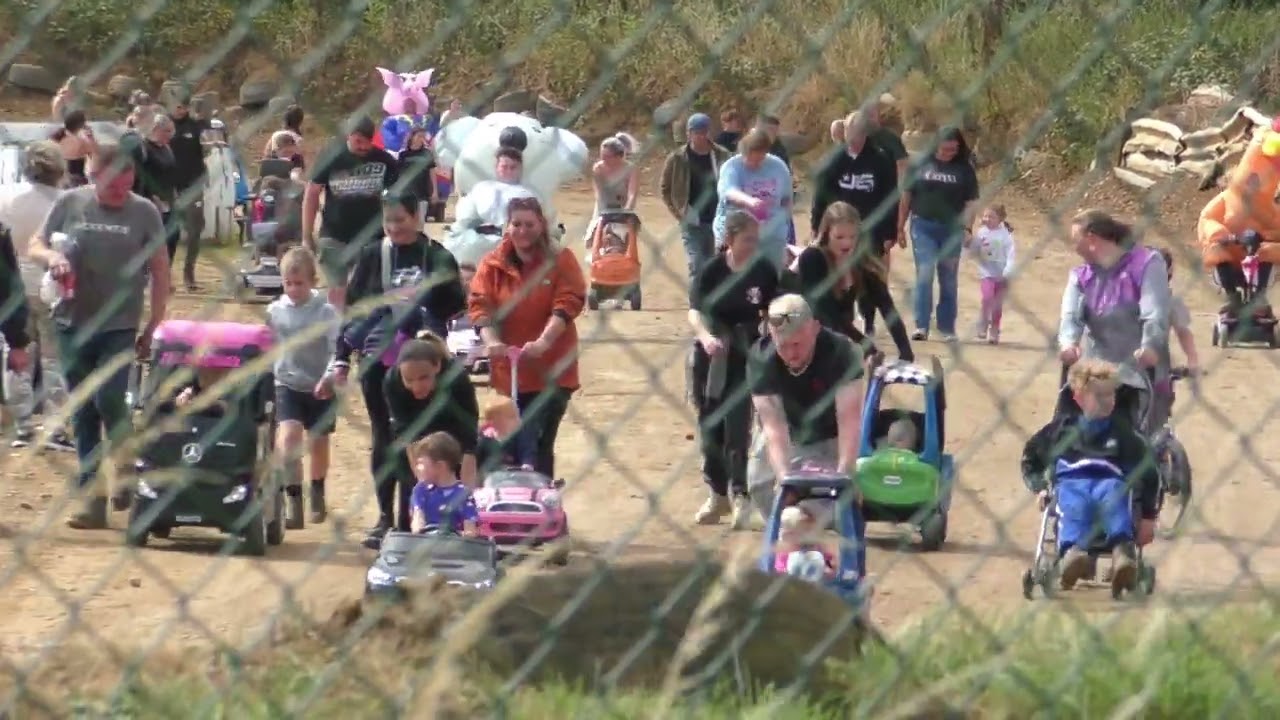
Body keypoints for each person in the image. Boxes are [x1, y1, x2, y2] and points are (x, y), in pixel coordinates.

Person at [28, 143, 170, 529]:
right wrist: (52, 259)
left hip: (119, 325)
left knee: (110, 398)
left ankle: (124, 464)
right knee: (83, 411)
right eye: (112, 188)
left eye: (126, 186)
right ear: (94, 176)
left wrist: (155, 321)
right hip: (71, 321)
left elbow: (159, 269)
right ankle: (93, 500)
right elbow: (35, 244)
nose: (119, 194)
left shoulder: (144, 212)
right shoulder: (71, 203)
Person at [330, 193, 466, 546]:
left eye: (400, 220)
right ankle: (385, 518)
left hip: (422, 360)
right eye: (388, 222)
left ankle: (416, 517)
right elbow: (355, 307)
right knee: (384, 437)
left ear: (416, 217)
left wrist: (423, 301)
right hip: (380, 359)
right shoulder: (374, 254)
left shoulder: (436, 255)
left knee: (423, 438)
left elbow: (454, 302)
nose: (394, 228)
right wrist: (343, 353)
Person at [470, 196, 585, 480]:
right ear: (506, 227)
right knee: (504, 443)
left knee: (540, 442)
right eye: (516, 224)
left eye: (529, 224)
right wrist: (491, 340)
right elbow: (479, 304)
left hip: (552, 369)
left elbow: (569, 301)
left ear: (542, 225)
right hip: (509, 371)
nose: (523, 231)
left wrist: (545, 341)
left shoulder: (560, 259)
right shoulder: (492, 263)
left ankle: (541, 502)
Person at [1020, 359, 1160, 593]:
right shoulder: (1060, 429)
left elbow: (1149, 471)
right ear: (1079, 398)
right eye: (1100, 396)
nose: (1108, 401)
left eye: (1111, 395)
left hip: (1111, 480)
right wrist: (1040, 487)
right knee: (1074, 506)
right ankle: (1073, 556)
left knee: (1115, 497)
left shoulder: (1123, 432)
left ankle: (1122, 556)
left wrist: (1148, 517)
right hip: (1071, 482)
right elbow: (1030, 459)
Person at [688, 211, 779, 528]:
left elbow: (775, 307)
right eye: (747, 240)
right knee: (710, 426)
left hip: (747, 353)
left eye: (756, 239)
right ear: (729, 240)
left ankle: (741, 495)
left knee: (738, 426)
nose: (754, 245)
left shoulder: (763, 270)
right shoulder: (711, 271)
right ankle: (717, 495)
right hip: (713, 355)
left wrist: (771, 333)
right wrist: (706, 338)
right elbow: (695, 312)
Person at [746, 294, 865, 522]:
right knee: (760, 485)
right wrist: (784, 479)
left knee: (820, 505)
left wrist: (845, 475)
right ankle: (787, 537)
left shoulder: (843, 353)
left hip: (829, 435)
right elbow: (773, 427)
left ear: (815, 328)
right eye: (783, 346)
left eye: (797, 344)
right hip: (787, 431)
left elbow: (849, 421)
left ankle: (813, 531)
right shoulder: (762, 358)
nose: (791, 354)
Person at [1058, 210, 1170, 426]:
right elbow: (1070, 316)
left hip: (1138, 370)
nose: (1073, 247)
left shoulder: (1146, 264)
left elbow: (1154, 312)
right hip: (1095, 372)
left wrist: (1149, 345)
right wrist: (1068, 343)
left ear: (1091, 239)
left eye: (1076, 240)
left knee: (1137, 430)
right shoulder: (1081, 276)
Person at [0, 141, 73, 451]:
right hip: (52, 281)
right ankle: (54, 425)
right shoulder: (68, 201)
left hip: (14, 281)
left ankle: (23, 425)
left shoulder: (7, 198)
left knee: (17, 353)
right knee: (54, 355)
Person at [376, 337, 480, 546]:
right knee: (408, 475)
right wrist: (421, 481)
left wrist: (467, 490)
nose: (416, 386)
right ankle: (407, 532)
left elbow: (469, 435)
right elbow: (406, 434)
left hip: (452, 428)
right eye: (409, 379)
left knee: (455, 483)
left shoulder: (456, 378)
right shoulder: (393, 381)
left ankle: (460, 536)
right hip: (416, 429)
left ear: (438, 367)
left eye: (423, 377)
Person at [809, 111, 903, 337]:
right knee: (836, 275)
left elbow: (890, 196)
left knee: (867, 278)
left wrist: (889, 231)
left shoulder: (880, 159)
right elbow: (820, 195)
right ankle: (839, 321)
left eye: (860, 134)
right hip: (836, 227)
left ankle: (868, 321)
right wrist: (816, 224)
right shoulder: (834, 160)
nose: (855, 139)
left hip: (869, 228)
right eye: (851, 134)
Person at [267, 248, 341, 529]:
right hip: (286, 382)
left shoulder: (326, 312)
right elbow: (266, 346)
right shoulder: (274, 312)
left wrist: (330, 376)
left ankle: (317, 491)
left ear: (312, 281)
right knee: (287, 440)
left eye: (300, 283)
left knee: (319, 443)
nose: (294, 289)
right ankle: (293, 501)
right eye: (288, 283)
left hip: (321, 386)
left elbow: (338, 349)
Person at [791, 202, 913, 361]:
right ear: (827, 234)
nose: (846, 244)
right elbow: (826, 313)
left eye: (852, 237)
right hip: (798, 330)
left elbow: (887, 306)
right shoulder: (813, 259)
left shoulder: (862, 262)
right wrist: (866, 346)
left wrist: (905, 351)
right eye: (839, 237)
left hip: (835, 335)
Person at [302, 116, 401, 308]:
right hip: (334, 234)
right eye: (358, 141)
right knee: (337, 290)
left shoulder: (384, 160)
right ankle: (338, 330)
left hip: (370, 236)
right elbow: (312, 193)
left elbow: (398, 196)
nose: (364, 147)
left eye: (368, 142)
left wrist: (395, 228)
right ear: (348, 136)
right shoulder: (331, 157)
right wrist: (306, 235)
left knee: (367, 290)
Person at [897, 126, 981, 342]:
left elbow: (971, 203)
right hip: (922, 225)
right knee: (925, 273)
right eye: (944, 149)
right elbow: (906, 196)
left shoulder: (964, 169)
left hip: (951, 229)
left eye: (953, 150)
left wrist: (967, 228)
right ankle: (921, 325)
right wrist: (899, 226)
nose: (948, 154)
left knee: (948, 278)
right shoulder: (919, 164)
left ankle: (946, 327)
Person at [660, 113, 732, 279]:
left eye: (704, 131)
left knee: (718, 266)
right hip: (692, 219)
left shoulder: (723, 155)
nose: (701, 136)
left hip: (719, 218)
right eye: (696, 132)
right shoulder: (677, 158)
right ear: (688, 133)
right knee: (696, 264)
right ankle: (697, 304)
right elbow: (665, 189)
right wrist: (679, 213)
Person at [715, 129, 793, 273]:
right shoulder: (732, 167)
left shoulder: (778, 166)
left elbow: (786, 199)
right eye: (751, 159)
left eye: (760, 159)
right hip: (740, 235)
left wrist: (785, 224)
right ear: (743, 152)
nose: (755, 164)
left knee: (770, 278)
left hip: (772, 235)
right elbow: (729, 191)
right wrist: (749, 201)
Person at [1154, 247, 1200, 429]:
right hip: (1129, 361)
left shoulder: (1171, 300)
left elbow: (1183, 331)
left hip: (1159, 364)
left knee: (1162, 403)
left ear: (1169, 271)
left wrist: (1192, 360)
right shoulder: (1129, 296)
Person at [452, 147, 545, 238]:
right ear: (497, 167)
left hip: (512, 238)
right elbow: (466, 215)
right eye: (504, 167)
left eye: (513, 167)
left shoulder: (529, 194)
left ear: (520, 169)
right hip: (478, 235)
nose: (508, 171)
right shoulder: (481, 188)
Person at [169, 96, 211, 291]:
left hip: (193, 185)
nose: (179, 109)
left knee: (195, 230)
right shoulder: (164, 126)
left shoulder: (196, 126)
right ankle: (164, 275)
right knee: (168, 233)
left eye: (182, 106)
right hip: (169, 187)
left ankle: (189, 274)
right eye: (176, 106)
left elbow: (208, 148)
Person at [127, 114, 180, 269]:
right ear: (156, 129)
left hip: (168, 198)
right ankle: (147, 271)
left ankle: (165, 270)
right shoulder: (145, 148)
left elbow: (171, 172)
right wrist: (150, 197)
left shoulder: (167, 148)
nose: (170, 135)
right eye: (167, 131)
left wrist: (174, 193)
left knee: (173, 235)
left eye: (172, 132)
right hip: (152, 200)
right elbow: (140, 176)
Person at [408, 432, 479, 536]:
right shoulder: (421, 490)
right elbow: (418, 522)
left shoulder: (463, 494)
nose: (417, 468)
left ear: (440, 466)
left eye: (421, 463)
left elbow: (470, 530)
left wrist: (461, 535)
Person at [966, 204, 1017, 344]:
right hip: (987, 273)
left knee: (997, 305)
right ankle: (983, 323)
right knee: (987, 298)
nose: (987, 219)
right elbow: (974, 248)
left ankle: (994, 330)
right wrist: (968, 249)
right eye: (985, 216)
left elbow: (1011, 255)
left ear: (1000, 219)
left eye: (991, 217)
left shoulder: (1006, 235)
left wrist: (1007, 271)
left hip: (1002, 275)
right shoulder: (981, 232)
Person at [582, 134, 640, 249]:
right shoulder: (598, 168)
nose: (603, 159)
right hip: (603, 204)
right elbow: (598, 193)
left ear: (619, 156)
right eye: (602, 156)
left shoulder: (631, 169)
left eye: (607, 156)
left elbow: (632, 194)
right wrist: (603, 210)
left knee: (623, 237)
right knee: (591, 239)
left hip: (624, 206)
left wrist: (627, 211)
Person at [773, 504, 838, 581]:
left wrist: (829, 569)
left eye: (809, 530)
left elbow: (830, 561)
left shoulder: (818, 546)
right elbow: (779, 568)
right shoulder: (785, 550)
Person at [477, 397, 527, 473]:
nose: (518, 421)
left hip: (514, 479)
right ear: (494, 421)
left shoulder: (519, 438)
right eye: (512, 417)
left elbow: (527, 455)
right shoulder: (483, 440)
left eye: (517, 416)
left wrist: (527, 464)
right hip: (490, 481)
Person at [398, 128, 438, 218]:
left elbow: (432, 173)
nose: (421, 139)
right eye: (419, 136)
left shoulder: (427, 153)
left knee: (420, 222)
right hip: (406, 193)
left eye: (423, 136)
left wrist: (435, 192)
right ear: (412, 137)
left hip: (422, 193)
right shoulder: (403, 155)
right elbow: (399, 174)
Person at [51, 110, 96, 187]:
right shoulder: (81, 141)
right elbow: (95, 153)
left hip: (59, 177)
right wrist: (91, 136)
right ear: (81, 125)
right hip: (77, 178)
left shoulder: (57, 137)